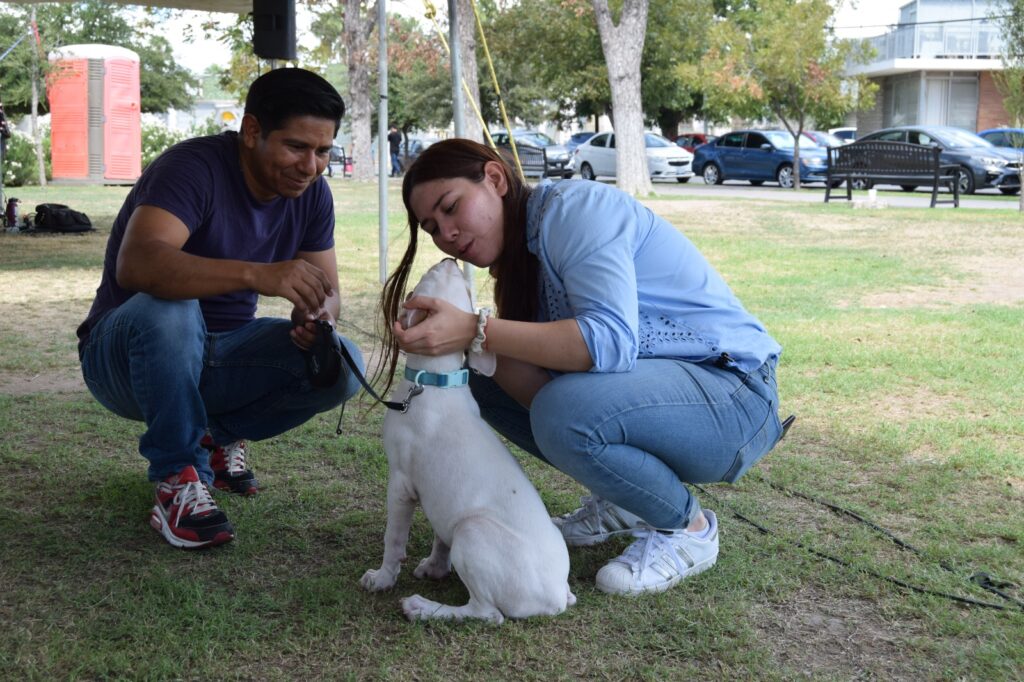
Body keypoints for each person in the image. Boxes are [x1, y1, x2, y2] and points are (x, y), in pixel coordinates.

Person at [380, 138, 785, 595]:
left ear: (494, 179)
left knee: (559, 404)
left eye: (451, 207)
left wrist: (476, 330)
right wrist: (463, 346)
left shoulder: (574, 211)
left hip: (735, 397)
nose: (446, 234)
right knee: (481, 376)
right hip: (670, 401)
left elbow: (608, 344)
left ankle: (688, 530)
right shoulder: (519, 259)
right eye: (432, 226)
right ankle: (627, 501)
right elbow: (543, 394)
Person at [77, 68, 364, 550]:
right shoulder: (192, 168)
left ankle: (213, 440)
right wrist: (257, 274)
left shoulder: (313, 194)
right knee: (171, 309)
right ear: (252, 131)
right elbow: (139, 263)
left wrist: (318, 317)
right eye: (296, 147)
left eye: (323, 151)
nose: (310, 166)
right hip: (127, 356)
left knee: (343, 363)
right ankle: (176, 476)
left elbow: (327, 288)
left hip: (220, 354)